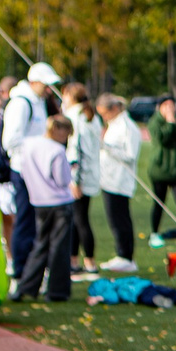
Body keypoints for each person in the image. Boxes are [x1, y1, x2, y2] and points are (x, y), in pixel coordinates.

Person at [10, 114, 82, 303]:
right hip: (59, 202)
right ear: (59, 130)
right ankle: (57, 291)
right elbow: (63, 180)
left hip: (38, 200)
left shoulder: (29, 145)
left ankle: (26, 287)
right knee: (59, 247)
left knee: (40, 245)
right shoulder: (57, 150)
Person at [0, 63, 57, 276]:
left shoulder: (37, 101)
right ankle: (21, 269)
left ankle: (32, 269)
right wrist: (37, 150)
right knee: (24, 222)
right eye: (46, 85)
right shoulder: (22, 103)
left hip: (36, 171)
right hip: (24, 171)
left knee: (35, 222)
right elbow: (11, 141)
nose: (49, 89)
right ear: (34, 82)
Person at [97, 94, 141, 269]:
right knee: (114, 218)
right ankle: (121, 253)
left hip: (120, 180)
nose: (103, 117)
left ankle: (126, 256)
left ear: (114, 109)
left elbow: (130, 155)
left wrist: (107, 148)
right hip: (108, 179)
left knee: (120, 219)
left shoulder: (128, 127)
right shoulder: (113, 125)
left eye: (104, 113)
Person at [64, 83, 104, 270]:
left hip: (80, 175)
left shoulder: (75, 117)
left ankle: (89, 261)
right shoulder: (92, 116)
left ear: (71, 97)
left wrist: (75, 180)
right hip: (91, 173)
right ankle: (74, 260)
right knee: (77, 218)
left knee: (80, 219)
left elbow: (76, 150)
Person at [146, 96, 176, 240]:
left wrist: (175, 123)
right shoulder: (155, 122)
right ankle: (154, 233)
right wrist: (169, 124)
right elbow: (161, 139)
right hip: (160, 170)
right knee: (159, 204)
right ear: (159, 107)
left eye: (172, 106)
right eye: (166, 106)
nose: (170, 109)